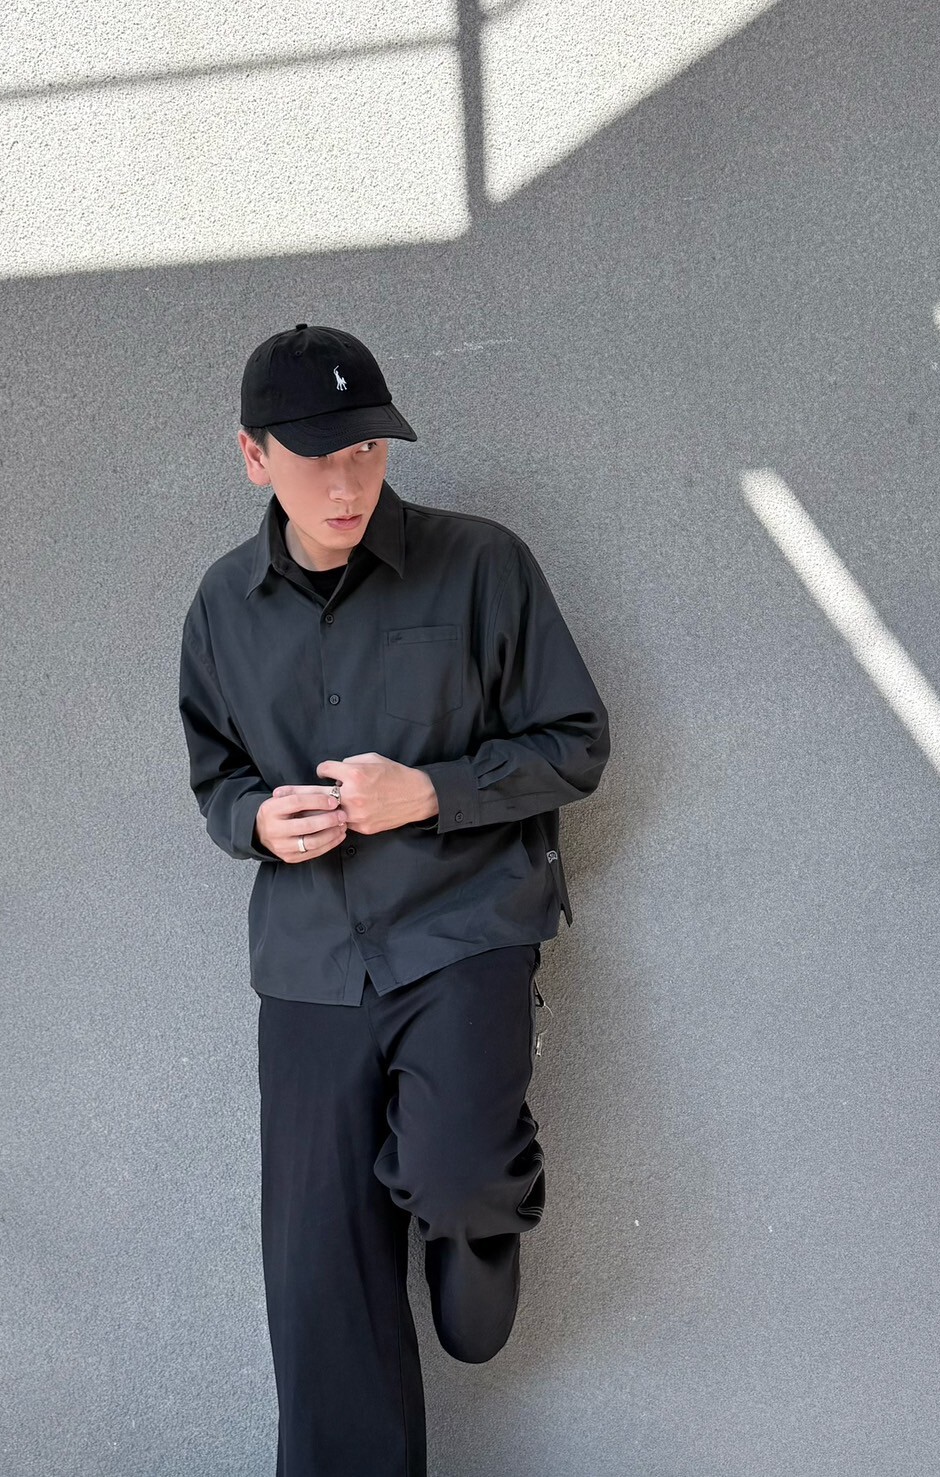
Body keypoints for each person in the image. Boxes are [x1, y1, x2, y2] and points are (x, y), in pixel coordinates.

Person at [178, 323, 609, 1477]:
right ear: (254, 456)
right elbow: (216, 776)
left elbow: (576, 743)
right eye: (317, 457)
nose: (348, 482)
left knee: (461, 1211)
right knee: (317, 1278)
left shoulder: (482, 565)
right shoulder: (221, 607)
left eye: (366, 450)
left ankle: (475, 1206)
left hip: (464, 928)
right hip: (310, 960)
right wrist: (256, 820)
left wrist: (429, 791)